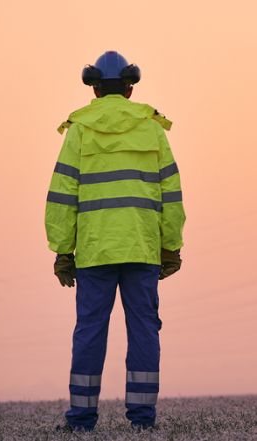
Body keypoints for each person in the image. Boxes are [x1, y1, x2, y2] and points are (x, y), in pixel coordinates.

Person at [44, 50, 186, 432]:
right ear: (129, 87)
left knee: (89, 330)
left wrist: (62, 250)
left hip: (94, 251)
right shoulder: (152, 129)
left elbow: (62, 194)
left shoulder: (80, 130)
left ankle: (81, 420)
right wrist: (170, 245)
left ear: (93, 89)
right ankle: (142, 420)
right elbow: (170, 193)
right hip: (141, 247)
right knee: (143, 329)